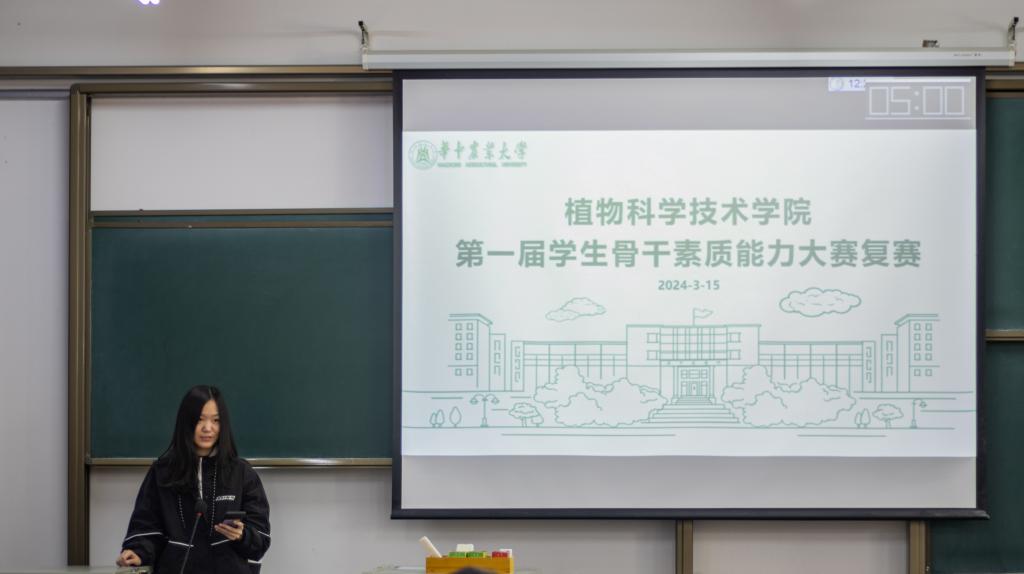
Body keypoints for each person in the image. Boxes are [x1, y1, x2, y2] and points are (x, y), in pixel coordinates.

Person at [117, 386, 271, 573]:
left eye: (216, 420)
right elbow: (146, 527)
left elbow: (261, 539)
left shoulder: (242, 473)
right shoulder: (162, 472)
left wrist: (242, 535)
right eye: (199, 419)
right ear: (186, 422)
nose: (208, 428)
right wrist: (138, 552)